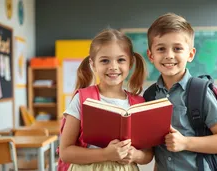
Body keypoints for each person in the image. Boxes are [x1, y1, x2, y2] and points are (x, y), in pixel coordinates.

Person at [144, 13, 217, 171]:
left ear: (191, 54)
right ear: (151, 56)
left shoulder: (199, 92)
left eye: (177, 48)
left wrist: (185, 142)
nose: (169, 55)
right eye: (161, 49)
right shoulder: (150, 96)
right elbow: (157, 150)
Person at [58, 29, 153, 171]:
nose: (113, 67)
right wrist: (105, 154)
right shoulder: (82, 99)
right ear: (93, 64)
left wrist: (135, 155)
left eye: (121, 60)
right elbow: (65, 153)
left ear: (130, 63)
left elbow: (148, 155)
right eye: (104, 60)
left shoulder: (139, 103)